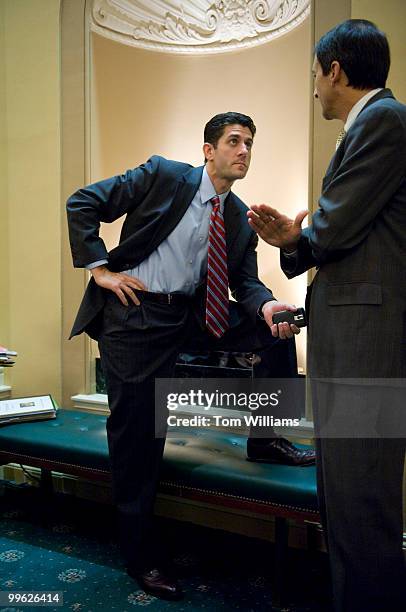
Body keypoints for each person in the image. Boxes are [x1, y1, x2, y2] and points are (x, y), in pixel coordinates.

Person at [66, 112, 315, 600]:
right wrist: (100, 269)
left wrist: (268, 305)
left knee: (277, 329)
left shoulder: (240, 217)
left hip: (190, 316)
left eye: (249, 144)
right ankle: (140, 557)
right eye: (234, 142)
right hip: (135, 315)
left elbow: (243, 283)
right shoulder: (163, 175)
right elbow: (83, 202)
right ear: (208, 150)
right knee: (139, 434)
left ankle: (265, 440)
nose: (243, 151)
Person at [247, 20, 406, 612]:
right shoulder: (367, 125)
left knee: (362, 499)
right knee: (343, 493)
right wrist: (300, 235)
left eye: (315, 75)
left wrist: (299, 231)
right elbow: (340, 232)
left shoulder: (384, 120)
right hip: (351, 337)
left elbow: (335, 227)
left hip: (369, 341)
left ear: (334, 70)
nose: (314, 88)